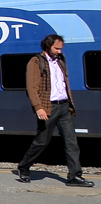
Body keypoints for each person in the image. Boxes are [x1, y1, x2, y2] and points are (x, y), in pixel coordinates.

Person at [17, 34, 95, 187]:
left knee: (71, 142)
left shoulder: (60, 60)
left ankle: (74, 176)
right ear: (47, 46)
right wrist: (38, 107)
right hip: (48, 107)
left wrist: (69, 103)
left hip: (64, 106)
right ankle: (24, 166)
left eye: (61, 49)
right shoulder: (36, 62)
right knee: (42, 141)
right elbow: (32, 87)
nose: (59, 51)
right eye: (56, 48)